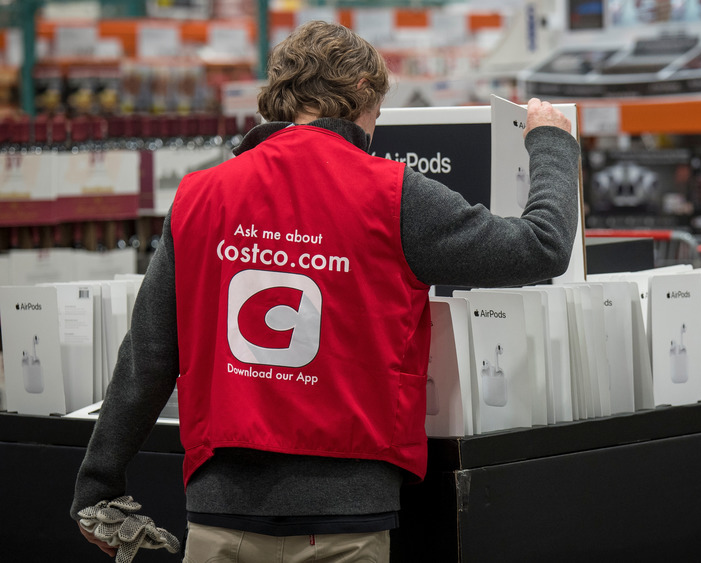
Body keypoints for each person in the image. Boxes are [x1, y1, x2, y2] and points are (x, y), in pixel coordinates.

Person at [71, 20, 580, 563]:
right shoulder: (394, 195)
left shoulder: (200, 197)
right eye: (378, 113)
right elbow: (541, 246)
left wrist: (98, 485)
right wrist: (551, 141)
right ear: (362, 92)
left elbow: (147, 354)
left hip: (222, 513)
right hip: (346, 519)